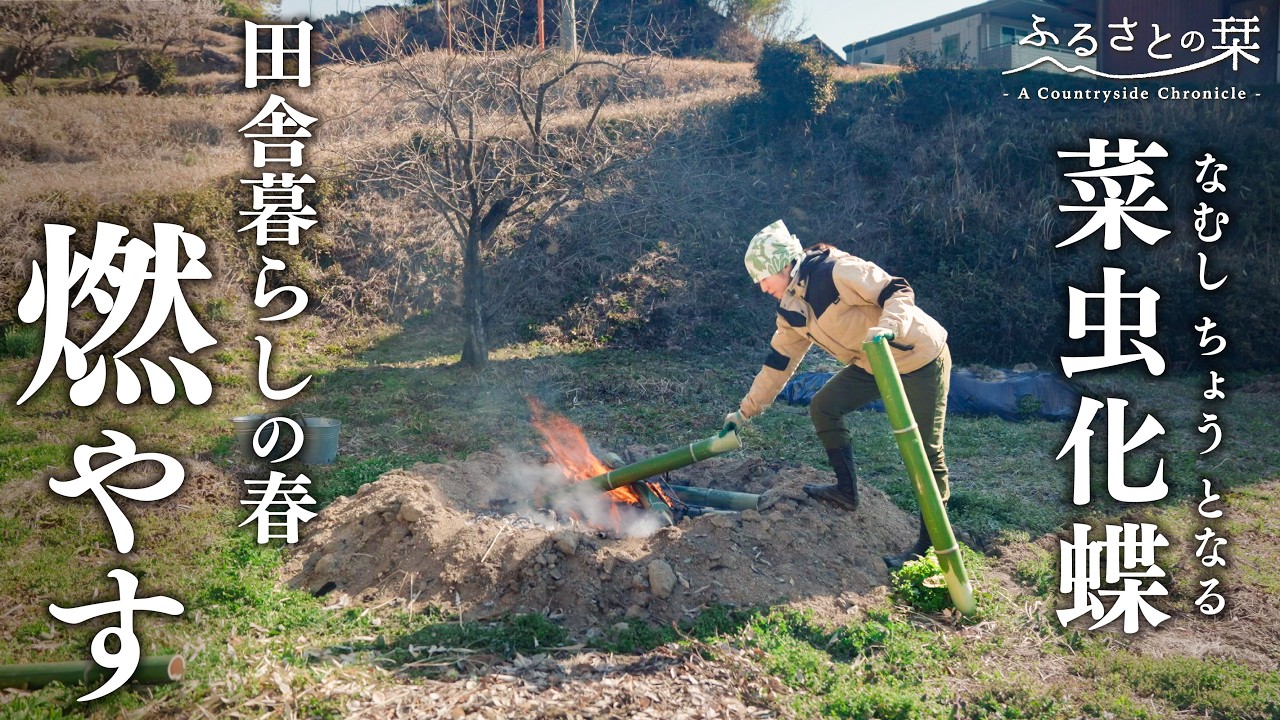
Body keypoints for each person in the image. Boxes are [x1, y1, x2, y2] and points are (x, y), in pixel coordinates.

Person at [722, 220, 952, 569]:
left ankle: (932, 546)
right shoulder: (792, 308)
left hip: (916, 354)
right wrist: (744, 411)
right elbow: (778, 363)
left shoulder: (836, 270)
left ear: (782, 266)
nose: (761, 287)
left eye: (762, 277)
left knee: (924, 450)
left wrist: (887, 329)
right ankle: (846, 493)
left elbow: (897, 290)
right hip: (873, 363)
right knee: (824, 407)